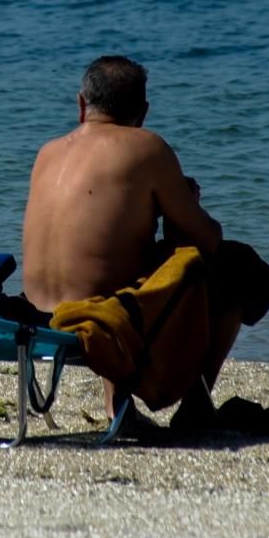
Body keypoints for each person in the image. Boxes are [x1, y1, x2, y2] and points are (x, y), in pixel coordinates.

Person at [21, 55, 247, 433]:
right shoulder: (146, 147)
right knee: (234, 267)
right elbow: (207, 238)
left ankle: (119, 405)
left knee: (125, 256)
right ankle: (194, 405)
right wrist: (185, 203)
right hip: (102, 314)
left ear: (81, 104)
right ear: (143, 112)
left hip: (35, 311)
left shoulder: (47, 153)